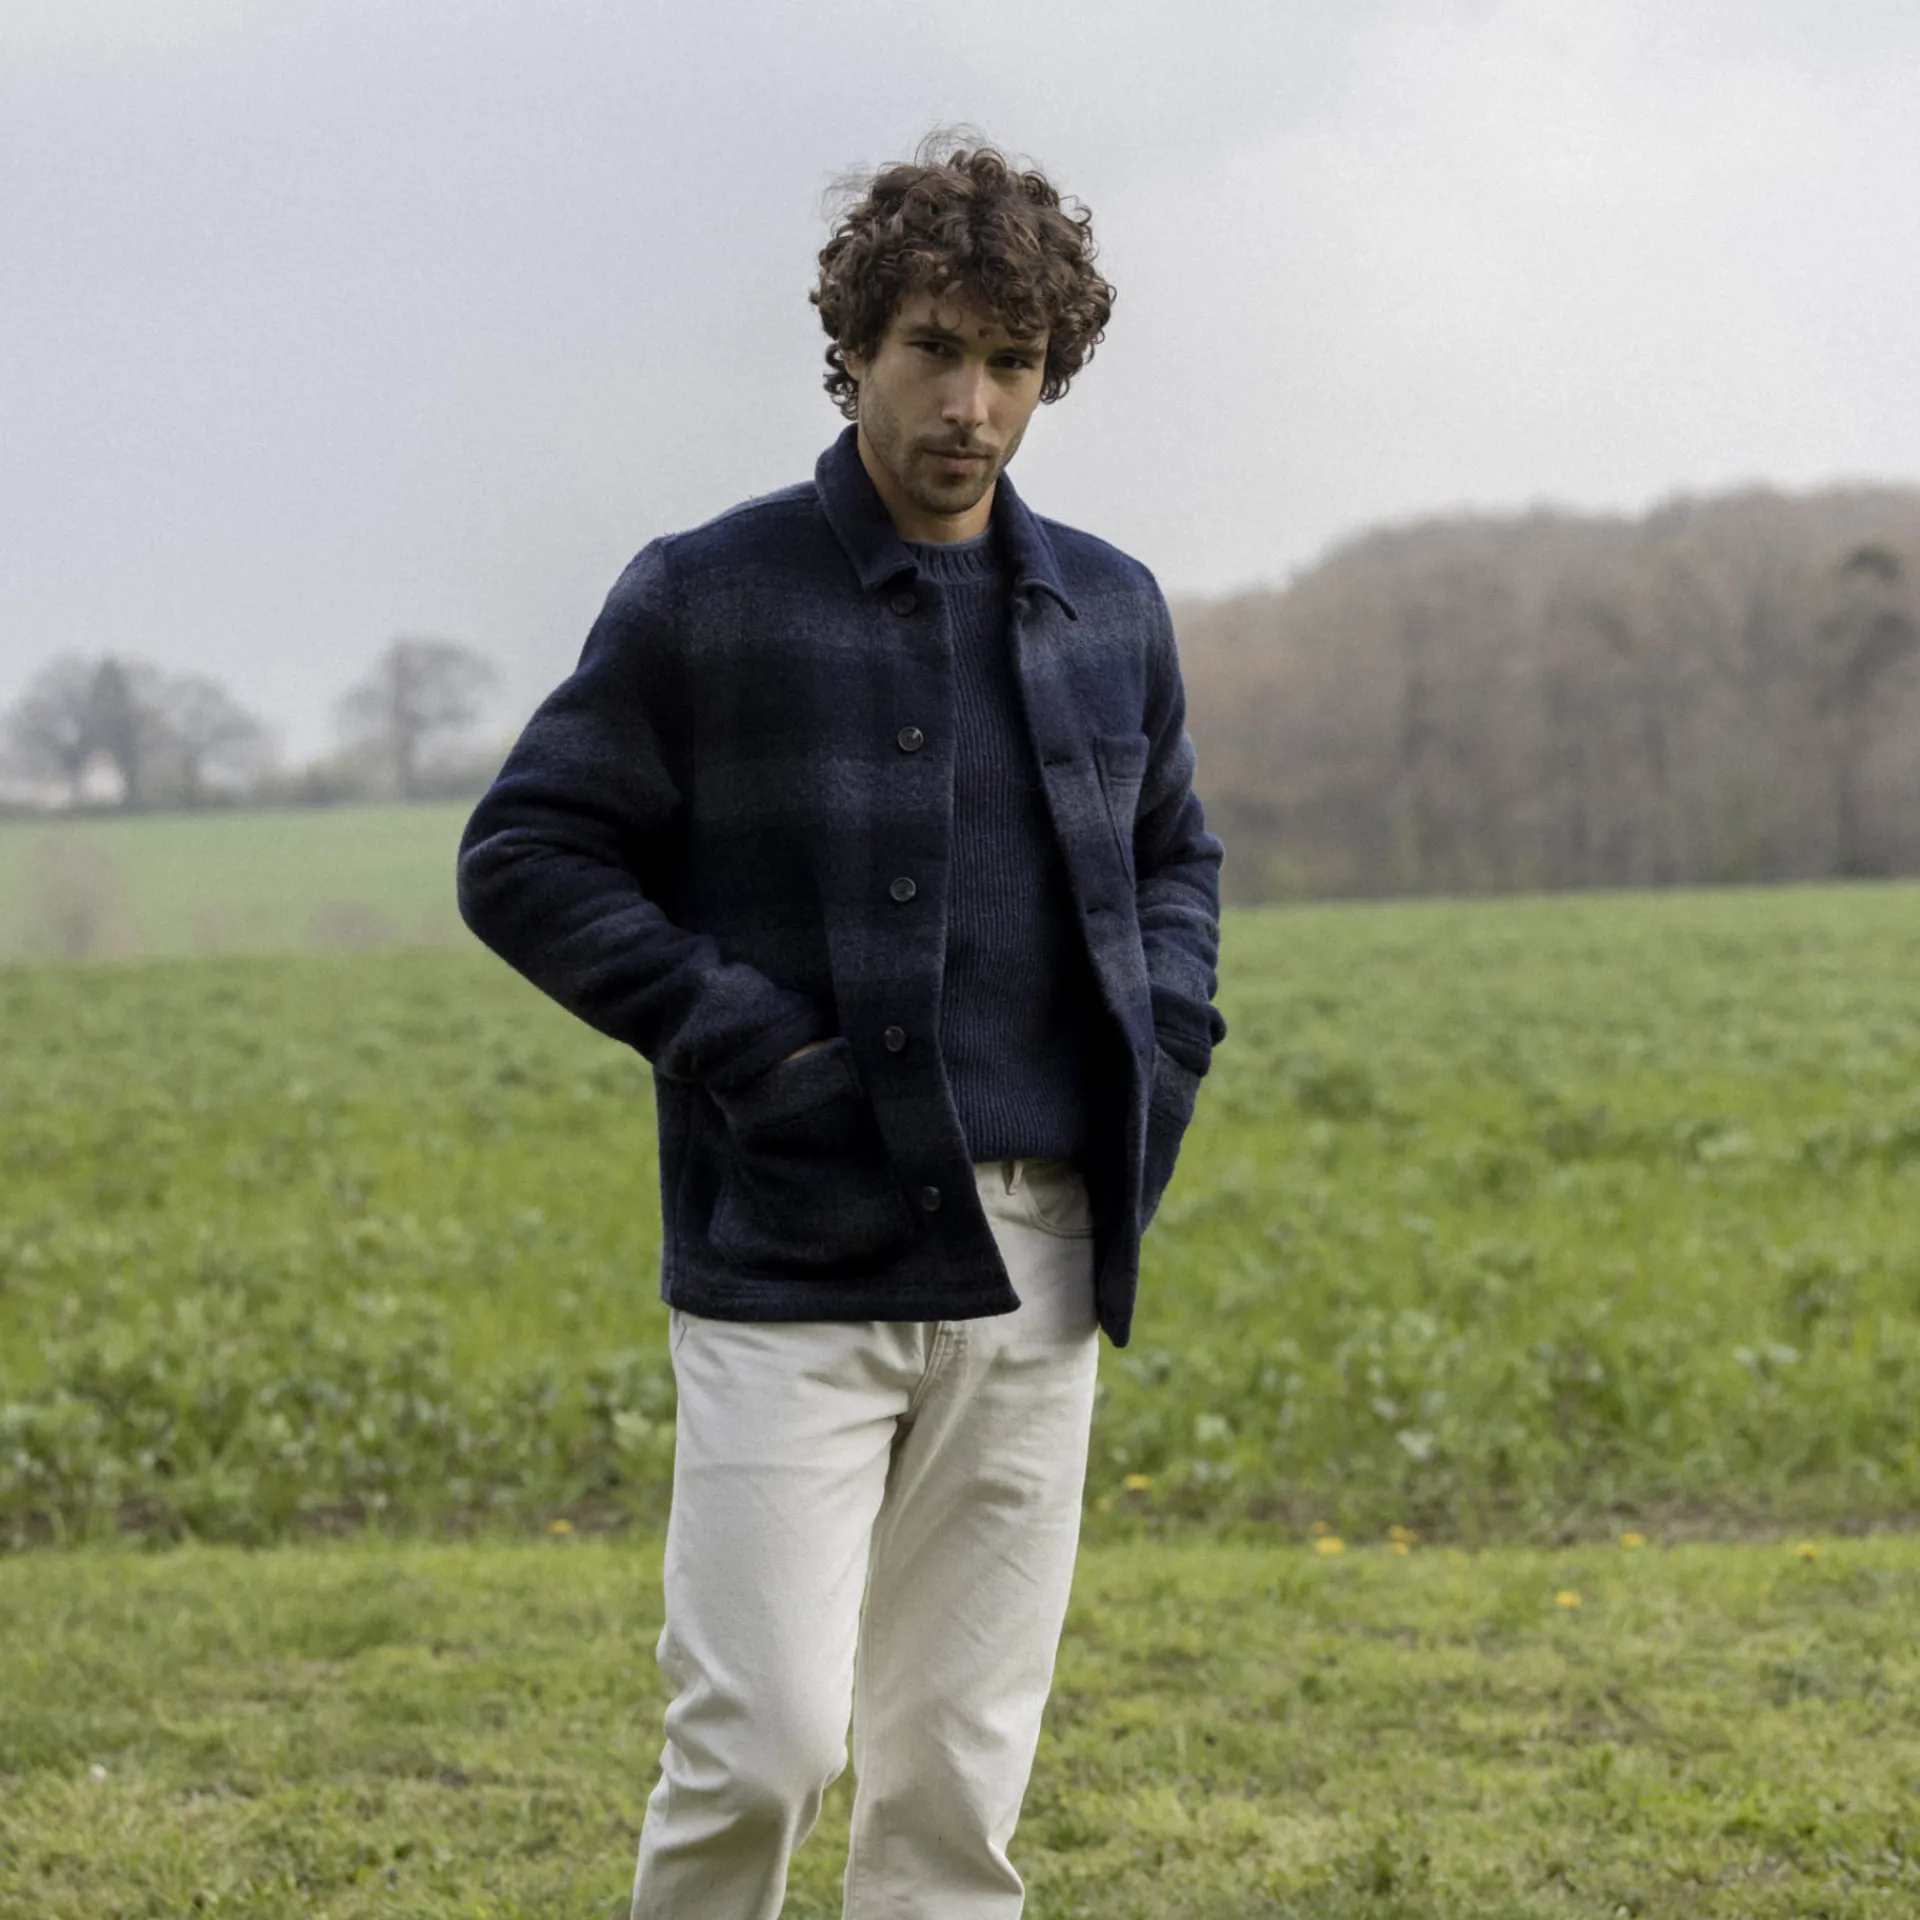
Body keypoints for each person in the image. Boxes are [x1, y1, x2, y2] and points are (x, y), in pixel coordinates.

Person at [457, 132, 1226, 1920]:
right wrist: (753, 1049)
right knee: (762, 1743)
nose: (973, 404)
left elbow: (1175, 853)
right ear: (856, 347)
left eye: (1014, 363)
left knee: (956, 1776)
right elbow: (527, 855)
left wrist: (1168, 1024)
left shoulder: (1110, 606)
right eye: (935, 350)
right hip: (793, 1240)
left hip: (1042, 1252)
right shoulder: (706, 594)